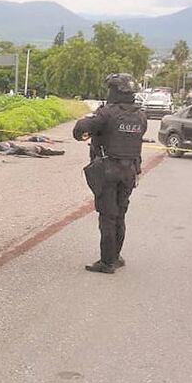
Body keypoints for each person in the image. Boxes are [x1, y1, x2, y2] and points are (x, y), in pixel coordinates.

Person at [73, 73, 147, 274]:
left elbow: (80, 129)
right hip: (130, 171)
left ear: (115, 91)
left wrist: (88, 124)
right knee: (120, 214)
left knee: (107, 216)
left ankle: (107, 262)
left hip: (109, 171)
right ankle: (116, 256)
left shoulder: (107, 113)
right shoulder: (140, 116)